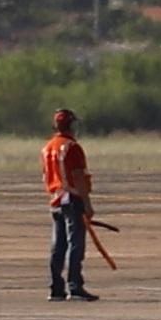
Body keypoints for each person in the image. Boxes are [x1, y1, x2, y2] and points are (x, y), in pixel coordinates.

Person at [42, 107, 98, 301]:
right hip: (72, 199)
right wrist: (87, 203)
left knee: (58, 246)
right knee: (76, 244)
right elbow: (78, 176)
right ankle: (75, 286)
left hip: (55, 200)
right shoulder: (72, 147)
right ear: (71, 125)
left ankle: (56, 288)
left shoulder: (48, 148)